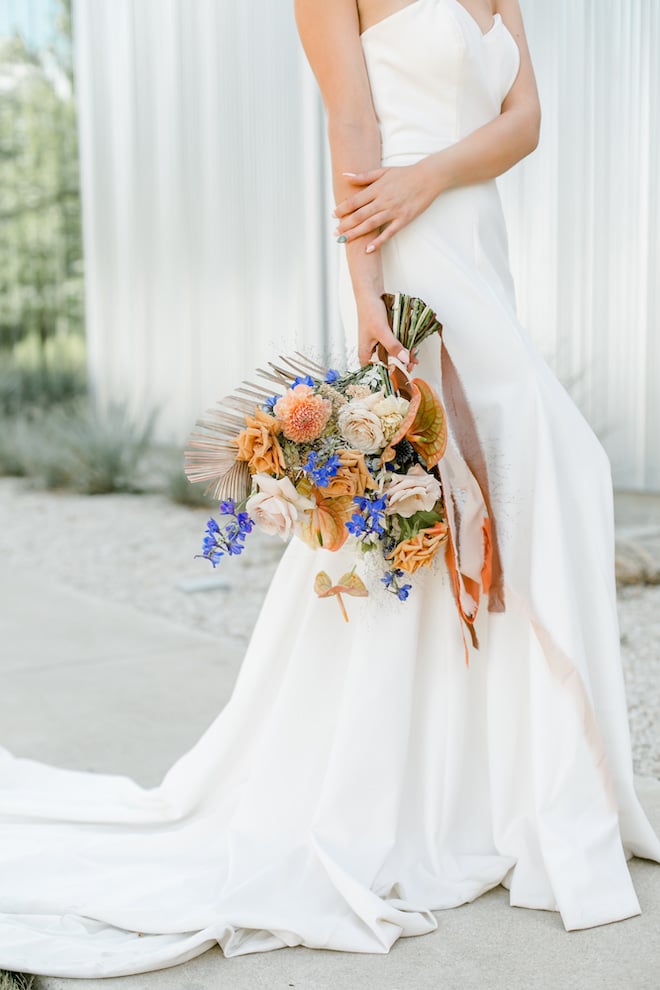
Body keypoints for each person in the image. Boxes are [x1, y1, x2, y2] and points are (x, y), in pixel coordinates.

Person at [1, 0, 659, 979]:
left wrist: (430, 175)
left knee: (482, 499)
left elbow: (525, 121)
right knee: (517, 474)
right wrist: (364, 295)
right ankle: (508, 788)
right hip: (412, 259)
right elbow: (350, 129)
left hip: (468, 232)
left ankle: (500, 787)